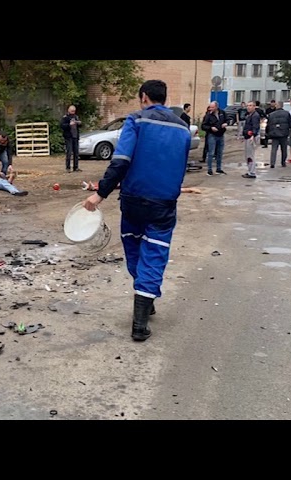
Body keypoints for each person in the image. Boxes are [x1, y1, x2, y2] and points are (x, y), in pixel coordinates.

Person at [82, 79, 191, 342]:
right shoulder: (183, 128)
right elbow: (180, 164)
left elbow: (121, 161)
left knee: (134, 249)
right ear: (165, 98)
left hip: (133, 201)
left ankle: (143, 305)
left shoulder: (136, 120)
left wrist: (100, 193)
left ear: (144, 97)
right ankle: (144, 307)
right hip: (164, 203)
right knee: (154, 253)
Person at [201, 101, 228, 176]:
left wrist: (226, 123)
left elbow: (227, 120)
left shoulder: (222, 113)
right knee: (211, 153)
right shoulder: (208, 115)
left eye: (212, 107)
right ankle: (209, 170)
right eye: (210, 107)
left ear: (216, 107)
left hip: (221, 134)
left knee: (220, 152)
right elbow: (203, 126)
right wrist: (211, 128)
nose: (211, 109)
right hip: (212, 135)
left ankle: (218, 169)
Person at [265, 101, 291, 168]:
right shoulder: (287, 113)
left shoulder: (271, 114)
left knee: (274, 149)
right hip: (284, 133)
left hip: (274, 133)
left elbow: (268, 125)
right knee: (284, 149)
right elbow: (290, 123)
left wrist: (267, 133)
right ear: (282, 106)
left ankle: (272, 163)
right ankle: (283, 162)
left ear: (276, 106)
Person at [241, 101, 261, 179]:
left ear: (254, 107)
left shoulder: (255, 115)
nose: (248, 107)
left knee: (250, 155)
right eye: (247, 106)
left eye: (250, 105)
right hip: (248, 136)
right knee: (248, 155)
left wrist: (253, 135)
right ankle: (250, 170)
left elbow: (255, 126)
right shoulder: (249, 115)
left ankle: (252, 172)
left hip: (251, 137)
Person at [61, 105, 82, 173]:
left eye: (74, 111)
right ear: (69, 110)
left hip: (75, 136)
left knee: (76, 153)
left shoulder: (76, 117)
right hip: (69, 137)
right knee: (69, 152)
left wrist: (79, 123)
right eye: (72, 111)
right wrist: (69, 124)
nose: (73, 112)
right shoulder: (65, 117)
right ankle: (68, 167)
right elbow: (62, 126)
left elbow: (80, 125)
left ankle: (76, 167)